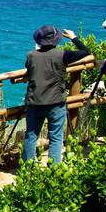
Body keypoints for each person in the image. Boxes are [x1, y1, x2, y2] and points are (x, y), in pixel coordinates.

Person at [22, 26, 89, 165]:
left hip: (35, 101)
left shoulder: (31, 55)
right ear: (55, 40)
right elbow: (86, 52)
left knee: (31, 136)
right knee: (56, 138)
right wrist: (73, 37)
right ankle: (54, 169)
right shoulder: (62, 55)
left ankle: (27, 169)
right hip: (56, 102)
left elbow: (29, 70)